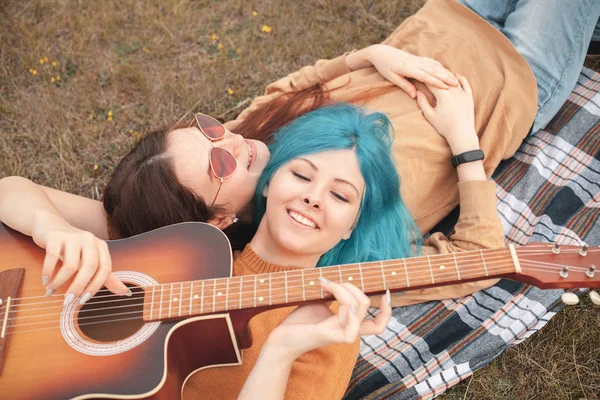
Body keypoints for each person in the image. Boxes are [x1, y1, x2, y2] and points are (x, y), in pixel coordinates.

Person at [2, 0, 598, 303]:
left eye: (209, 129)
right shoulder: (327, 236)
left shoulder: (250, 145)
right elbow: (476, 258)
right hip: (513, 77)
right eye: (218, 161)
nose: (232, 139)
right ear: (217, 219)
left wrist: (370, 57)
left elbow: (10, 191)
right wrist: (466, 144)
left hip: (441, 23)